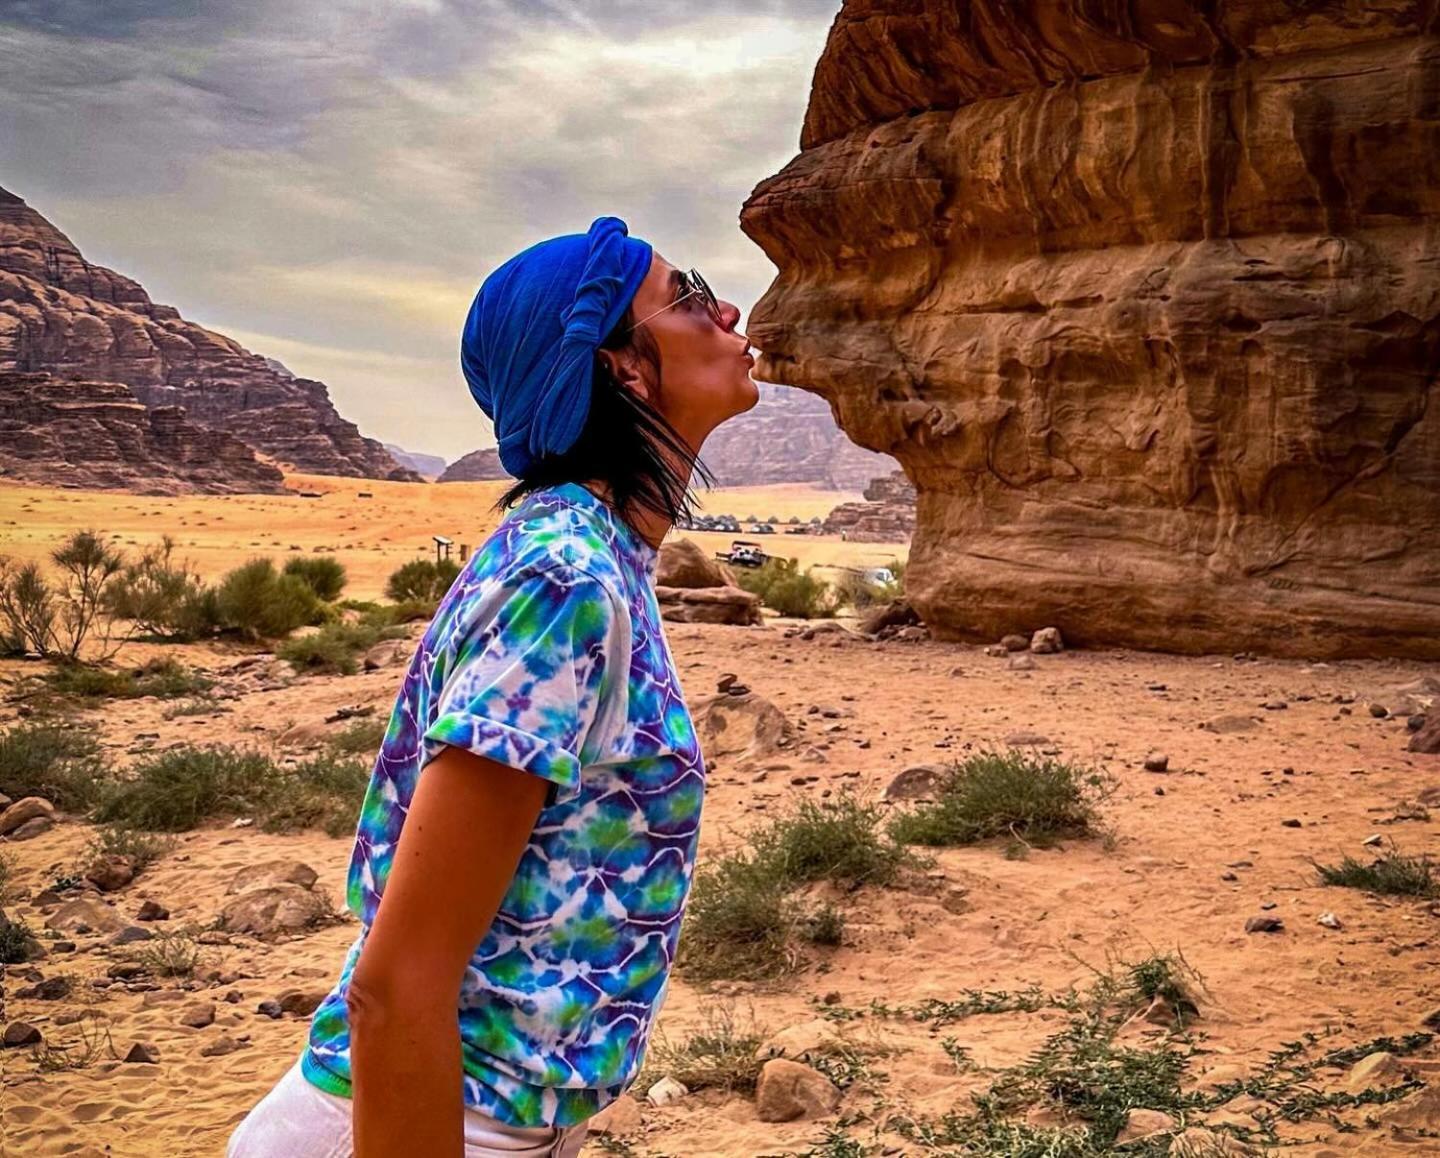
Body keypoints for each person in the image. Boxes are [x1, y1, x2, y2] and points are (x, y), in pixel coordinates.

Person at [228, 216, 759, 1157]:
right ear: (622, 369)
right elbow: (398, 985)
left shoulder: (596, 556)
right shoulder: (562, 580)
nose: (727, 313)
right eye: (688, 296)